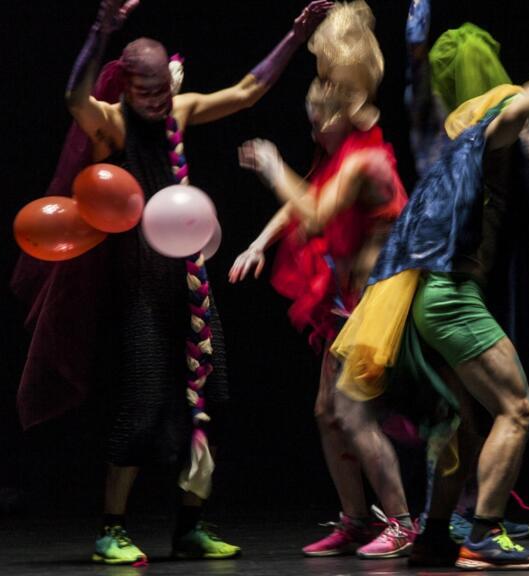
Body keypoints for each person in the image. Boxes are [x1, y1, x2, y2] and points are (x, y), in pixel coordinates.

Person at [13, 0, 332, 564]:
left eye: (165, 90)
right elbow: (72, 98)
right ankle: (111, 529)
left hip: (188, 282)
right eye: (148, 92)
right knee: (141, 404)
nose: (160, 102)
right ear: (128, 84)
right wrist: (100, 30)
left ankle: (190, 525)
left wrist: (293, 34)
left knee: (205, 404)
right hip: (137, 284)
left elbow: (246, 91)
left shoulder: (178, 115)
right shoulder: (111, 124)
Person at [331, 25, 529, 570]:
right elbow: (516, 109)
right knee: (518, 408)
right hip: (449, 297)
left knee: (462, 429)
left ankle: (435, 535)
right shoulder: (487, 135)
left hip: (426, 297)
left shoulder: (453, 155)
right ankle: (484, 536)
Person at [229, 0, 416, 560]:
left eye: (317, 119)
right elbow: (306, 198)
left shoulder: (367, 160)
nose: (312, 124)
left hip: (378, 303)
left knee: (354, 416)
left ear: (338, 116)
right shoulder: (336, 154)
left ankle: (402, 522)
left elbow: (312, 209)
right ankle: (357, 519)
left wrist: (270, 166)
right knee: (325, 412)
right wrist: (259, 242)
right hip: (346, 304)